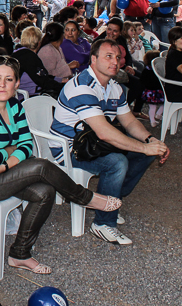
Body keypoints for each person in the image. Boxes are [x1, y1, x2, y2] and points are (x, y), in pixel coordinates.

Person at [0, 56, 122, 273]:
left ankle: (19, 254)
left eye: (9, 79)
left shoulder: (14, 105)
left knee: (45, 191)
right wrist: (10, 154)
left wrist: (5, 162)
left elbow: (26, 145)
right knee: (41, 166)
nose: (2, 84)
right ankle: (83, 198)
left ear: (17, 83)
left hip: (0, 174)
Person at [50, 39, 170, 245]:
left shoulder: (114, 87)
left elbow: (130, 121)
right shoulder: (83, 86)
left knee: (145, 154)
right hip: (69, 148)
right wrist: (144, 146)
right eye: (108, 56)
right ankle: (103, 224)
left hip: (92, 142)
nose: (115, 61)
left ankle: (111, 200)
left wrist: (151, 141)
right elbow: (105, 132)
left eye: (117, 57)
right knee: (118, 162)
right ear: (93, 60)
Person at [11, 27, 65, 97]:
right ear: (39, 43)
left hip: (19, 94)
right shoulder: (29, 57)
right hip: (28, 97)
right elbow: (42, 81)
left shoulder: (17, 53)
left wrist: (60, 80)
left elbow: (41, 76)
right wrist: (63, 88)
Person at [140, 50, 164, 127]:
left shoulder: (145, 70)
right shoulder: (158, 71)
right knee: (164, 103)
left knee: (152, 107)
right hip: (159, 91)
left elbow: (142, 80)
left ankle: (152, 121)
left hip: (149, 91)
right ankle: (158, 114)